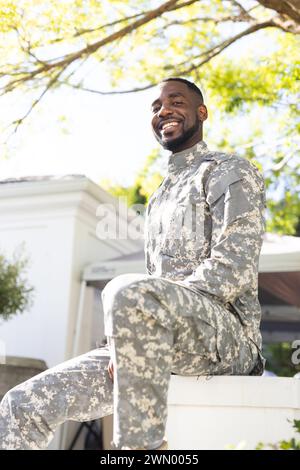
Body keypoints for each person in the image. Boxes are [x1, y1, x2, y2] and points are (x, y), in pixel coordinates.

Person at [0, 77, 266, 450]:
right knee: (19, 406)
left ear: (201, 113)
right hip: (152, 338)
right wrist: (129, 337)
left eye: (176, 101)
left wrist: (143, 311)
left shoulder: (228, 171)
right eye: (156, 107)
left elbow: (233, 267)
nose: (164, 111)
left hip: (228, 341)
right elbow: (155, 281)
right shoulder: (159, 198)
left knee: (125, 288)